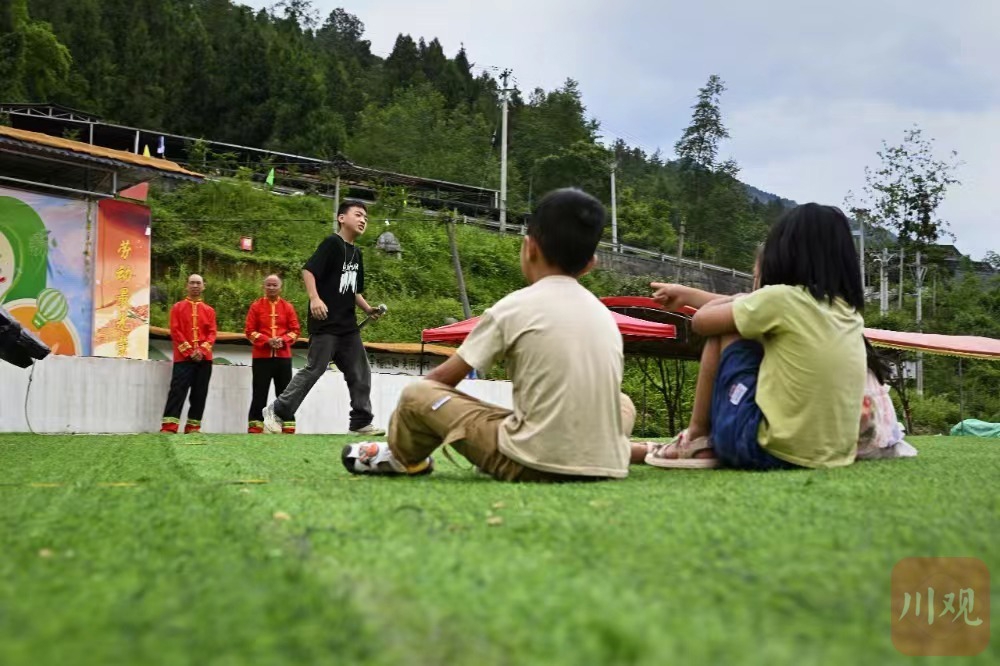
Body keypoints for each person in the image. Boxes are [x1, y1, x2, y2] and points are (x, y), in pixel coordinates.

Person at [341, 188, 632, 481]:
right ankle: (619, 450)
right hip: (605, 463)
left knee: (418, 393)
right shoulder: (604, 317)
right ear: (590, 264)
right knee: (622, 402)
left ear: (529, 248)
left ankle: (401, 457)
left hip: (528, 461)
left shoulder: (513, 307)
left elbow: (440, 381)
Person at [643, 203, 866, 469]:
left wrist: (738, 298)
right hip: (833, 454)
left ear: (785, 252)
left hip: (762, 449)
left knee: (727, 329)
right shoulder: (847, 312)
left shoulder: (781, 299)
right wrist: (692, 296)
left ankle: (697, 436)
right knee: (740, 320)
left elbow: (702, 322)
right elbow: (748, 308)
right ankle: (699, 438)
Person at [262, 201, 385, 435]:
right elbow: (308, 270)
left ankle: (360, 422)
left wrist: (368, 309)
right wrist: (315, 299)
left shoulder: (357, 253)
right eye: (358, 215)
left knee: (360, 372)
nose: (363, 220)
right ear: (341, 218)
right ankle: (277, 410)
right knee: (315, 369)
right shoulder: (332, 244)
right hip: (326, 322)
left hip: (348, 326)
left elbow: (353, 290)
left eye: (366, 219)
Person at [160, 274, 217, 434]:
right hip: (183, 358)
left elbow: (212, 333)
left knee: (200, 393)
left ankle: (193, 427)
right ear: (187, 286)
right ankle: (169, 426)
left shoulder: (209, 311)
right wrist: (190, 351)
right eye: (192, 283)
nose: (195, 286)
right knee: (177, 391)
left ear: (203, 286)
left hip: (204, 359)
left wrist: (202, 350)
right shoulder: (177, 307)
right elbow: (175, 331)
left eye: (198, 283)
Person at [245, 275, 300, 434]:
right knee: (259, 392)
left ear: (280, 287)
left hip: (283, 357)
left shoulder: (288, 307)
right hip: (261, 358)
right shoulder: (256, 306)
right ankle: (255, 426)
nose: (271, 288)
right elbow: (249, 331)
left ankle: (288, 426)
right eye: (268, 285)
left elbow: (295, 331)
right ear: (264, 287)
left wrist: (282, 340)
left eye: (274, 285)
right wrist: (266, 340)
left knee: (285, 393)